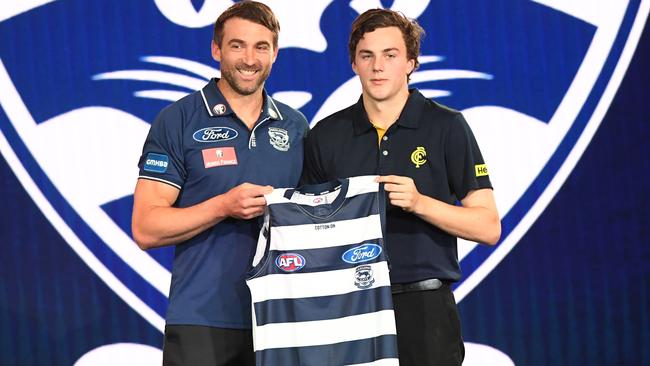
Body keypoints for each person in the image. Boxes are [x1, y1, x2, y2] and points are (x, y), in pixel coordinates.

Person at [300, 8, 501, 366]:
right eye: (367, 56)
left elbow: (487, 226)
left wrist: (420, 202)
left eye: (390, 55)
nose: (378, 66)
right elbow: (306, 232)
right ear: (354, 64)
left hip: (424, 308)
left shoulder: (447, 126)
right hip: (348, 307)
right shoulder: (325, 135)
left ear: (411, 62)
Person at [131, 2, 308, 365]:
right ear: (216, 50)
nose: (249, 59)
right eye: (237, 45)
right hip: (202, 319)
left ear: (275, 53)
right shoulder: (177, 119)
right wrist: (221, 206)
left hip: (283, 318)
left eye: (261, 47)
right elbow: (146, 228)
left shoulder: (296, 126)